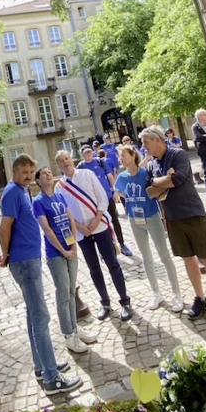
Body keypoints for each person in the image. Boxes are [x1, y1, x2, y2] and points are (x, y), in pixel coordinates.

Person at [0, 155, 84, 395]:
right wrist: (5, 254)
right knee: (41, 317)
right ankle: (52, 378)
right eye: (25, 171)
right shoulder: (13, 192)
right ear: (15, 170)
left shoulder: (20, 190)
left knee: (32, 315)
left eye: (31, 171)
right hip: (24, 261)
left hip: (29, 259)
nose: (28, 175)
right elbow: (4, 228)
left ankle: (41, 366)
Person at [140, 124, 206, 323]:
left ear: (158, 140)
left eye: (146, 142)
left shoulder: (178, 155)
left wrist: (159, 182)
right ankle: (200, 297)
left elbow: (178, 180)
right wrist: (162, 180)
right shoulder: (152, 164)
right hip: (172, 217)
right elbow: (149, 192)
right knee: (188, 259)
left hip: (192, 212)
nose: (144, 146)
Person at [55, 150, 133, 321]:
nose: (65, 162)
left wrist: (97, 219)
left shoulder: (87, 174)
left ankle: (125, 302)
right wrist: (80, 227)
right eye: (61, 161)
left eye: (67, 158)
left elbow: (102, 198)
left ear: (72, 159)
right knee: (94, 269)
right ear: (58, 165)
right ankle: (105, 303)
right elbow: (63, 213)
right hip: (82, 233)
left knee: (113, 264)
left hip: (100, 226)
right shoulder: (59, 187)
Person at [32, 166, 95, 354]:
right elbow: (47, 229)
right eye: (44, 174)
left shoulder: (59, 196)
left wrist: (74, 245)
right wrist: (62, 250)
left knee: (71, 290)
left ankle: (75, 328)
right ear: (37, 181)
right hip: (56, 253)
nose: (48, 175)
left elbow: (70, 219)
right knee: (63, 292)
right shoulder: (38, 202)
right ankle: (68, 335)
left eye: (49, 172)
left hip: (70, 248)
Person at [114, 145, 185, 313]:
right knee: (146, 257)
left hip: (152, 216)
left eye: (123, 155)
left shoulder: (145, 174)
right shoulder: (122, 177)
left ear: (132, 155)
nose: (120, 159)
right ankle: (156, 293)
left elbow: (157, 190)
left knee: (164, 255)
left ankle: (176, 293)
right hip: (134, 219)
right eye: (120, 156)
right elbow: (118, 193)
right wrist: (130, 198)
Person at [77, 145, 131, 256]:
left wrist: (115, 192)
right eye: (86, 153)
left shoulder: (100, 162)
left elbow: (110, 177)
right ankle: (106, 249)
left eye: (90, 152)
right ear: (82, 154)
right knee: (99, 224)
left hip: (107, 197)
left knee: (114, 221)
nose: (89, 155)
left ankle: (122, 244)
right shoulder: (81, 167)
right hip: (93, 202)